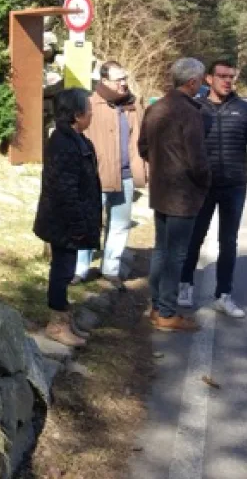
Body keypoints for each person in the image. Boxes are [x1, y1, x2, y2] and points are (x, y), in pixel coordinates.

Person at [178, 59, 247, 318]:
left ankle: (224, 295)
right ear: (209, 79)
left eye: (231, 76)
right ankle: (185, 285)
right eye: (222, 76)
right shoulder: (196, 107)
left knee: (228, 242)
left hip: (234, 185)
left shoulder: (244, 108)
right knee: (195, 237)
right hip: (202, 185)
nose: (227, 81)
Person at [138, 58, 210, 332]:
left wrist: (160, 163)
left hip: (161, 188)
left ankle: (157, 306)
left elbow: (143, 145)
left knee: (161, 249)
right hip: (183, 193)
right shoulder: (190, 112)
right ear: (192, 82)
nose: (202, 84)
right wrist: (205, 182)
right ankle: (167, 312)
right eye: (201, 80)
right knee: (176, 254)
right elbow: (197, 158)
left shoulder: (155, 108)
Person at [33, 88, 103, 347]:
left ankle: (65, 317)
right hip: (63, 221)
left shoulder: (77, 139)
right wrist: (77, 224)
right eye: (89, 109)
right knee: (62, 271)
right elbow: (65, 189)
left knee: (67, 268)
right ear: (77, 114)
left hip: (74, 219)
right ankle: (57, 324)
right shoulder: (62, 143)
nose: (92, 113)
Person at [74, 61, 148, 287]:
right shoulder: (88, 104)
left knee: (120, 224)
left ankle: (111, 268)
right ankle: (80, 270)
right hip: (95, 176)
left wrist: (144, 168)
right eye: (119, 79)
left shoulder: (133, 106)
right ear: (104, 80)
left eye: (125, 78)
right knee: (88, 224)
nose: (124, 83)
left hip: (125, 176)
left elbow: (142, 140)